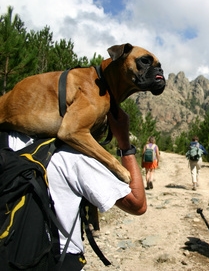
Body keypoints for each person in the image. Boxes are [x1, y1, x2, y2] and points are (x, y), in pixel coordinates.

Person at [7, 107, 147, 270]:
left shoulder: (9, 143)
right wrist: (124, 144)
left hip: (8, 254)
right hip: (57, 259)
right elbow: (137, 204)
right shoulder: (73, 158)